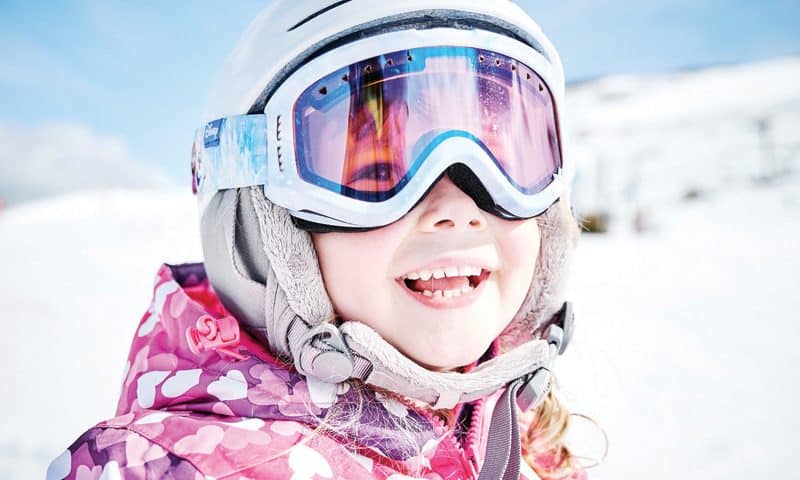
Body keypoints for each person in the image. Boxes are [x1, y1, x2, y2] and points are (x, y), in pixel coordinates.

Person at [47, 1, 596, 478]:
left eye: (504, 161)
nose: (456, 209)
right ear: (261, 221)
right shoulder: (183, 466)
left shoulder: (518, 435)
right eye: (377, 170)